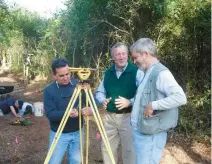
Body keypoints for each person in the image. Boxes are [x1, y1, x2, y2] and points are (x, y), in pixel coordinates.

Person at [130, 38, 187, 164]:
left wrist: (153, 105)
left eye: (136, 57)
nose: (134, 61)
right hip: (143, 132)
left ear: (145, 54)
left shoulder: (161, 73)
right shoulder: (147, 72)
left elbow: (180, 97)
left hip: (151, 136)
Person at [96, 42, 144, 164]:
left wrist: (130, 102)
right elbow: (100, 92)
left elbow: (144, 95)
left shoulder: (137, 72)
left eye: (123, 54)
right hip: (109, 117)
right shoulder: (108, 73)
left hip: (128, 117)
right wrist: (103, 100)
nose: (121, 57)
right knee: (107, 148)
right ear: (113, 57)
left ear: (127, 55)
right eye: (118, 54)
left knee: (129, 150)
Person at [43, 57, 92, 164]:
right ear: (54, 75)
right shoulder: (49, 90)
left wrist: (90, 109)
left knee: (76, 161)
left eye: (67, 74)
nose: (65, 78)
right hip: (59, 134)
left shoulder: (78, 85)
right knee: (53, 161)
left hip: (78, 132)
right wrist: (67, 113)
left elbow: (91, 101)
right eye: (61, 75)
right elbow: (50, 114)